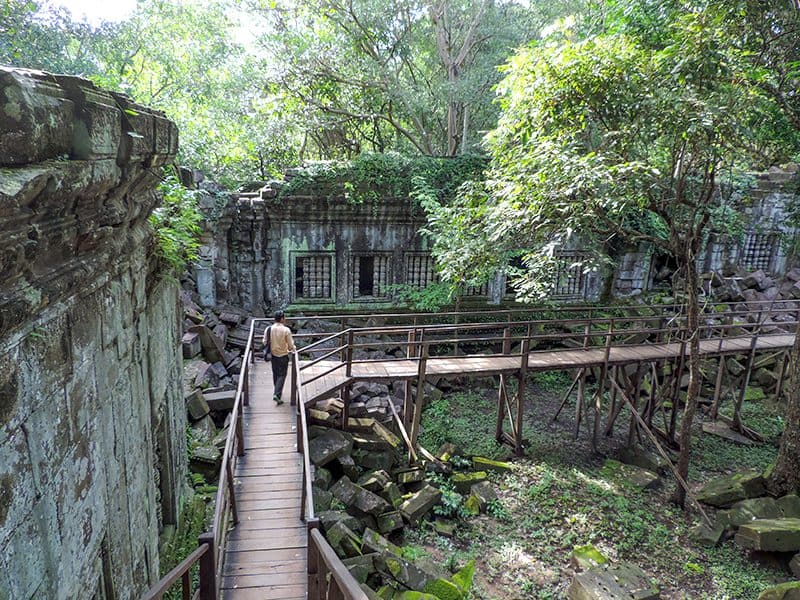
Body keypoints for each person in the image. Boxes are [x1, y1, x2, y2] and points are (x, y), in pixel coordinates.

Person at [262, 310, 296, 405]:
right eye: (284, 318)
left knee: (275, 374)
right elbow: (290, 345)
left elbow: (264, 342)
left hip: (273, 355)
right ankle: (276, 394)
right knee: (282, 375)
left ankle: (277, 393)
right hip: (283, 355)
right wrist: (294, 349)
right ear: (282, 318)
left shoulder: (268, 329)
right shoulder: (286, 330)